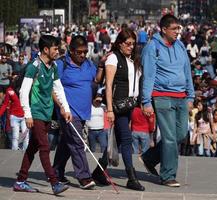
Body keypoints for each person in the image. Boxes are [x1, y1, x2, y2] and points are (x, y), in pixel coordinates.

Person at [140, 14, 195, 187]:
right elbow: (148, 75)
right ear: (163, 29)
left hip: (181, 96)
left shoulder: (180, 45)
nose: (177, 32)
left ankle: (149, 157)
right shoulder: (152, 47)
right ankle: (168, 175)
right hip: (161, 96)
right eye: (174, 29)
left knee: (180, 134)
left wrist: (191, 95)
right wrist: (146, 101)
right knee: (170, 137)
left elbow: (187, 71)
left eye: (178, 28)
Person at [12, 35, 71, 195]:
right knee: (45, 147)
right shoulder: (34, 66)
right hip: (36, 113)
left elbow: (59, 89)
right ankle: (54, 182)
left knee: (33, 148)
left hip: (47, 113)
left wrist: (65, 108)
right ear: (46, 50)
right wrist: (28, 114)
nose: (58, 51)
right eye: (55, 48)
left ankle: (20, 181)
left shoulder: (53, 66)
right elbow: (24, 92)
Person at [92, 28, 144, 191]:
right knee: (127, 139)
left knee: (119, 141)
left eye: (133, 44)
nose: (131, 47)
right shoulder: (113, 58)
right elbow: (108, 85)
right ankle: (131, 177)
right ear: (120, 44)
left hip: (129, 105)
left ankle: (99, 172)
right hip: (117, 106)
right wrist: (109, 110)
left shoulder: (132, 59)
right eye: (128, 44)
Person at [52, 35, 102, 189]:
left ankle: (56, 172)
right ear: (71, 51)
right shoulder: (61, 64)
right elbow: (51, 87)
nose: (82, 55)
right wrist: (61, 106)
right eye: (79, 52)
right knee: (77, 142)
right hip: (68, 111)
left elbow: (96, 80)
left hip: (84, 111)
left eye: (85, 52)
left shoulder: (88, 63)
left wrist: (101, 66)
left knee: (68, 143)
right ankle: (84, 176)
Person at [0, 73, 28, 150]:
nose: (14, 80)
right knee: (15, 137)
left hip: (24, 116)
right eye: (13, 79)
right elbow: (5, 104)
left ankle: (25, 153)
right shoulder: (9, 90)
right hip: (14, 117)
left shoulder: (25, 90)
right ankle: (14, 152)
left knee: (26, 136)